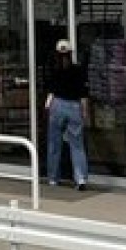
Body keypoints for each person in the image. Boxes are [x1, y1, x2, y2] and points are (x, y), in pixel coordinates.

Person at [45, 38, 89, 189]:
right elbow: (83, 93)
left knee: (54, 143)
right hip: (74, 106)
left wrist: (48, 106)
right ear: (71, 53)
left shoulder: (54, 70)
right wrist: (85, 112)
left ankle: (53, 177)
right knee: (77, 145)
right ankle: (80, 178)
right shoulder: (78, 70)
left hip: (57, 104)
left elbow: (50, 91)